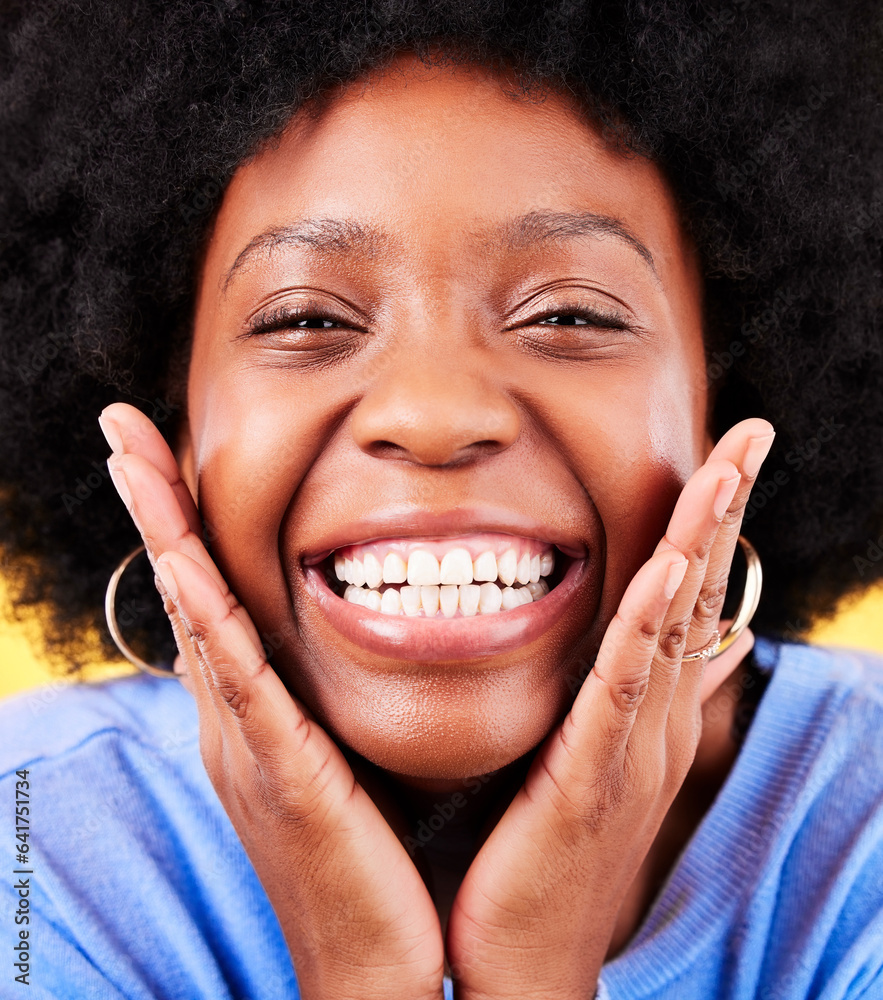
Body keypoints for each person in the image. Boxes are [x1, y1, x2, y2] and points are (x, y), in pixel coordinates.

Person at [0, 2, 881, 998]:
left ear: (730, 399)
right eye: (305, 317)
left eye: (567, 313)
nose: (433, 413)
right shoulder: (30, 844)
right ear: (177, 420)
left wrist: (531, 974)